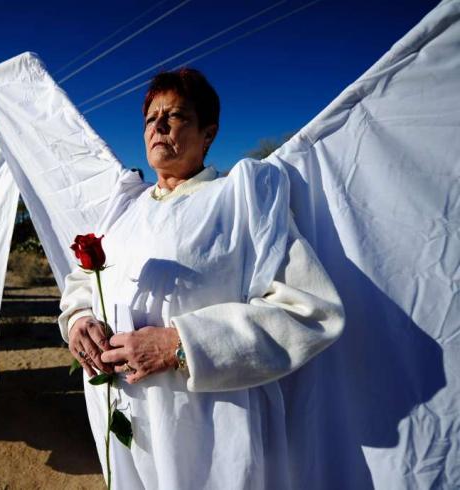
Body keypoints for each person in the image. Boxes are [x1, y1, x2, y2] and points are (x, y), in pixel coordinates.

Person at [60, 69, 345, 489]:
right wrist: (79, 320)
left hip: (212, 429)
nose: (157, 126)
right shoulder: (125, 210)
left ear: (207, 133)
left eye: (174, 116)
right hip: (128, 423)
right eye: (149, 118)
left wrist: (179, 346)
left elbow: (311, 312)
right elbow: (82, 285)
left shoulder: (240, 198)